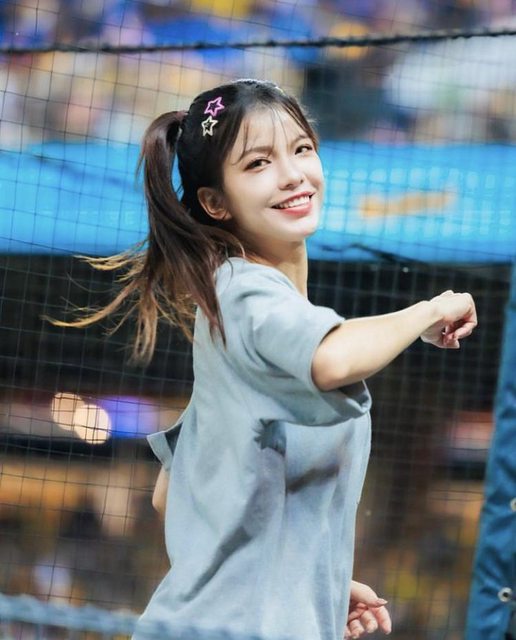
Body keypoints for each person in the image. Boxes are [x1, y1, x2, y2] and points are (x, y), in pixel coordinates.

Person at [67, 79, 477, 640]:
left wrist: (303, 578)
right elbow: (332, 360)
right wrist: (430, 311)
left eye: (301, 149)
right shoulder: (244, 294)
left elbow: (170, 494)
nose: (291, 174)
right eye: (258, 163)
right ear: (215, 202)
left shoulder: (239, 306)